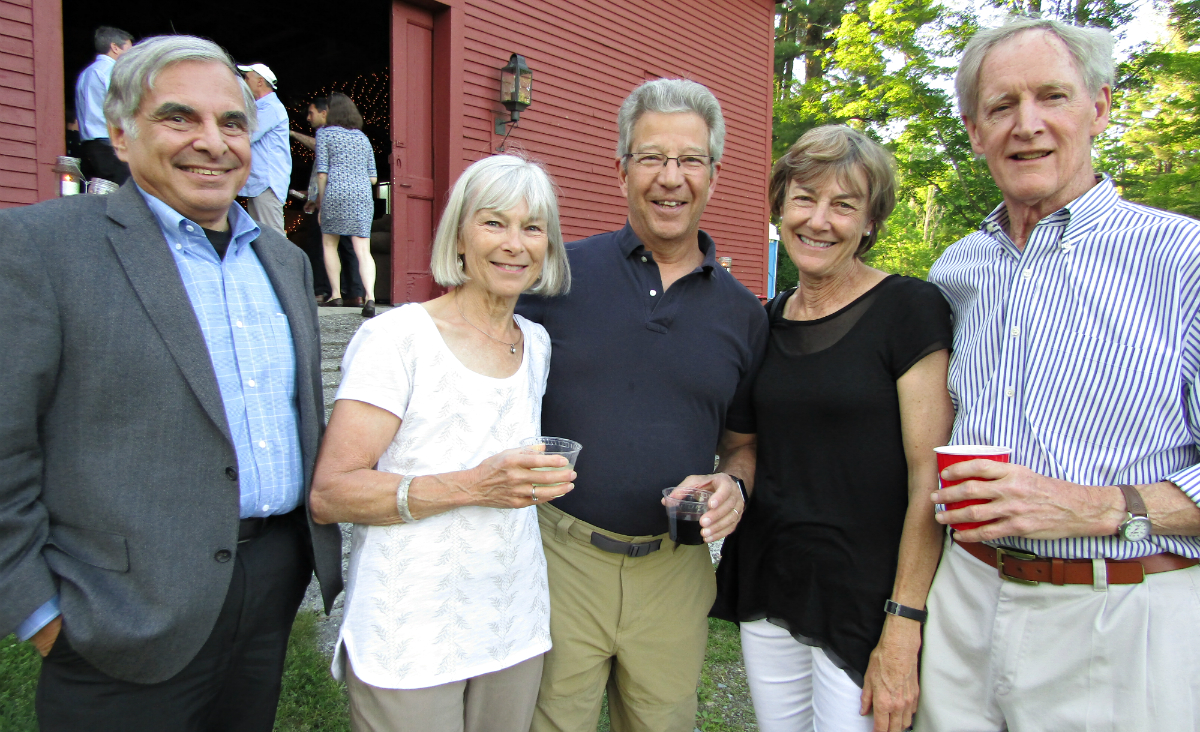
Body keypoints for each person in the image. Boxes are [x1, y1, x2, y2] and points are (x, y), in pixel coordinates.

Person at [0, 35, 343, 732]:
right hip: (121, 605)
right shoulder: (41, 248)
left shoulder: (283, 261)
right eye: (179, 118)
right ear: (121, 135)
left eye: (233, 123)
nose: (212, 143)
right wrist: (38, 609)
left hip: (271, 584)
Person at [917, 16, 1200, 731]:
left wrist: (1100, 508)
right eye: (1001, 106)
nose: (1027, 125)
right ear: (975, 130)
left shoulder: (1182, 260)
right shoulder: (956, 271)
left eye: (1052, 96)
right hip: (965, 605)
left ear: (1100, 107)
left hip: (1119, 618)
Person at [516, 78, 769, 732]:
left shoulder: (744, 316)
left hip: (673, 571)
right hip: (558, 559)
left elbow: (741, 443)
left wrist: (734, 483)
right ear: (621, 168)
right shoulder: (554, 277)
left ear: (714, 173)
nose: (671, 178)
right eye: (652, 157)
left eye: (690, 160)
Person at [310, 154, 572, 732]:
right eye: (494, 222)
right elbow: (331, 493)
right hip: (412, 626)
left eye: (533, 228)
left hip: (513, 617)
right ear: (458, 236)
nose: (514, 243)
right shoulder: (396, 339)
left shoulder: (536, 342)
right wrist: (475, 485)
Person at [709, 125, 953, 732]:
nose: (819, 220)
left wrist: (904, 618)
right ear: (780, 207)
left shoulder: (908, 310)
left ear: (870, 222)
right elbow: (745, 448)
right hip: (773, 581)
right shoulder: (765, 322)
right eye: (804, 199)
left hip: (866, 597)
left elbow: (931, 473)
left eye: (843, 205)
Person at [290, 96, 365, 305]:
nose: (308, 117)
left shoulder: (326, 133)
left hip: (330, 198)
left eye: (311, 112)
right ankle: (356, 293)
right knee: (350, 246)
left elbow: (322, 173)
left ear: (325, 113)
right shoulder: (356, 137)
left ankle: (326, 292)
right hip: (353, 198)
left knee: (321, 245)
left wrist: (318, 199)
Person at [315, 92, 378, 317]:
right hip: (362, 195)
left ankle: (335, 295)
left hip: (336, 192)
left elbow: (322, 173)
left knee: (330, 244)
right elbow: (373, 178)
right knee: (363, 250)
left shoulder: (325, 134)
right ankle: (370, 296)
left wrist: (321, 204)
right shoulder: (363, 138)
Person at [237, 62, 291, 235]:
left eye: (246, 78)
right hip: (260, 183)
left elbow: (246, 136)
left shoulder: (270, 108)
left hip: (266, 183)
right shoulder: (264, 107)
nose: (244, 82)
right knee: (262, 236)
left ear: (260, 81)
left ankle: (284, 263)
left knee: (273, 237)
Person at [74, 25, 132, 184]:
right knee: (121, 193)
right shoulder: (112, 71)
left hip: (88, 146)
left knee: (96, 195)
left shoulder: (85, 74)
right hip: (109, 145)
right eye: (129, 48)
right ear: (115, 47)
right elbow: (124, 105)